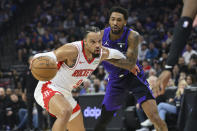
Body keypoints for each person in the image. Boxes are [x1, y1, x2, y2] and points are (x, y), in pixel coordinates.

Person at [32, 26, 133, 131]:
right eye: (93, 42)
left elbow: (115, 54)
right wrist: (35, 60)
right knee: (66, 111)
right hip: (48, 87)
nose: (97, 45)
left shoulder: (101, 53)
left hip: (65, 93)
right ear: (85, 42)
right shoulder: (72, 50)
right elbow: (48, 56)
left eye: (99, 41)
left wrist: (128, 63)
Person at [94, 7, 168, 131]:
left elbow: (130, 64)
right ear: (109, 20)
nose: (115, 23)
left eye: (119, 20)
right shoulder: (100, 35)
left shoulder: (133, 36)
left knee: (155, 117)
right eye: (112, 19)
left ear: (125, 22)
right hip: (115, 80)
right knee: (102, 121)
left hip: (134, 76)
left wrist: (104, 56)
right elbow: (90, 53)